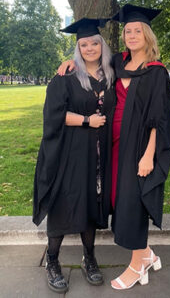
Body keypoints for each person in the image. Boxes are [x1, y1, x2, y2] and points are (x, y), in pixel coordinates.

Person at [58, 4, 170, 290]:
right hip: (112, 144)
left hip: (138, 147)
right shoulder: (118, 62)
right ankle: (147, 254)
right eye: (127, 31)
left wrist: (149, 155)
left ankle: (137, 267)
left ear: (147, 36)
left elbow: (161, 121)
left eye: (137, 31)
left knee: (133, 201)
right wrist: (68, 62)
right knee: (117, 199)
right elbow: (89, 61)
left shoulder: (156, 72)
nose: (132, 35)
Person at [33, 18, 115, 293]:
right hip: (70, 154)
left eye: (95, 43)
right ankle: (52, 261)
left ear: (102, 46)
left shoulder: (110, 74)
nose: (90, 48)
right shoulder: (65, 76)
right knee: (63, 203)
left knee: (91, 204)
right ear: (77, 48)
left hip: (99, 156)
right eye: (84, 44)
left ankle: (89, 258)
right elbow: (53, 116)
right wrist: (86, 121)